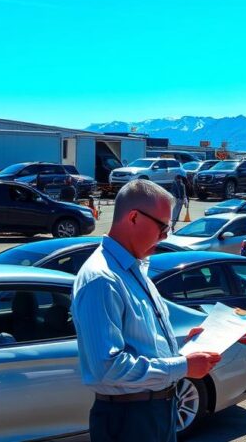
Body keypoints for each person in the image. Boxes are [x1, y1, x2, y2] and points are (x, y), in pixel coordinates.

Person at [72, 179, 220, 442]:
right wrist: (183, 365)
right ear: (133, 218)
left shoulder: (134, 269)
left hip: (153, 411)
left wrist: (182, 345)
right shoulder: (102, 279)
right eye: (163, 227)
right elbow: (108, 367)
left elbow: (143, 343)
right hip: (129, 418)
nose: (166, 236)